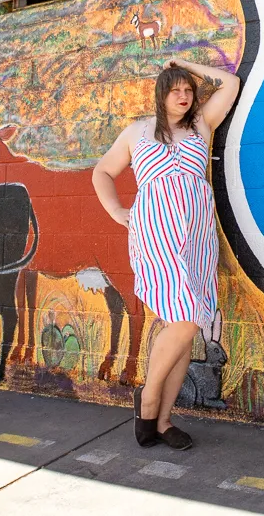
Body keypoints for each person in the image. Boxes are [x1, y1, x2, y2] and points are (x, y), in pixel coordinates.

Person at [92, 56, 240, 450]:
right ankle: (149, 398)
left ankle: (162, 419)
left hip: (195, 237)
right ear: (160, 94)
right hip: (155, 234)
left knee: (187, 327)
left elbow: (230, 83)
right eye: (176, 89)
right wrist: (117, 211)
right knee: (186, 320)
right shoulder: (136, 133)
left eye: (189, 91)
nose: (184, 96)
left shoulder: (200, 127)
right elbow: (102, 172)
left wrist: (188, 66)